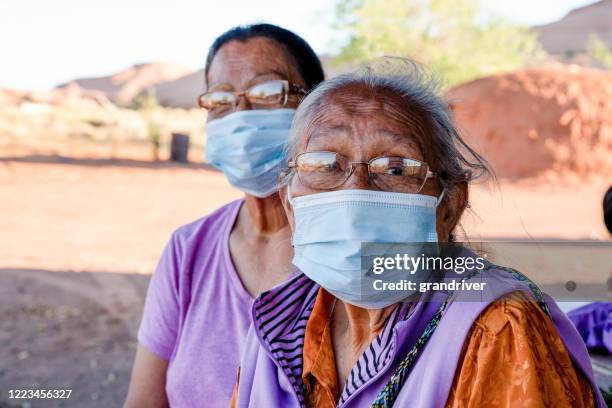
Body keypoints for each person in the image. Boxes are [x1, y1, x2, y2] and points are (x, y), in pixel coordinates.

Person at [231, 60, 605, 407]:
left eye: (396, 168)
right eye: (326, 164)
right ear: (290, 201)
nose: (356, 190)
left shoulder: (498, 328)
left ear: (449, 206)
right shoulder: (277, 323)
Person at [124, 24, 324, 407]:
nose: (240, 115)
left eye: (268, 92)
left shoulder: (350, 250)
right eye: (219, 100)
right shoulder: (189, 249)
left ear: (316, 106)